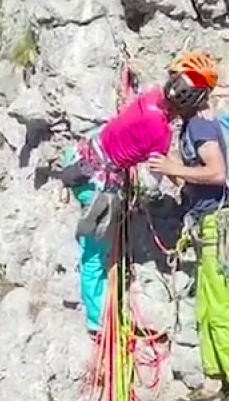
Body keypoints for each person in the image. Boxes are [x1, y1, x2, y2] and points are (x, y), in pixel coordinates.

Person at [57, 53, 220, 337]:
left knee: (96, 249)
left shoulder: (151, 97)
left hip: (82, 156)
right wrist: (178, 180)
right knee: (96, 255)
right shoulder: (161, 132)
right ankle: (98, 323)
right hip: (98, 185)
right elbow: (152, 182)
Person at [147, 58, 229, 401]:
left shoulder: (200, 127)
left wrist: (171, 168)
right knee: (206, 307)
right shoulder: (193, 126)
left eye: (179, 79)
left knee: (223, 306)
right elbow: (200, 180)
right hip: (206, 224)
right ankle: (214, 380)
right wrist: (176, 177)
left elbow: (215, 172)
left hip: (218, 225)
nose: (173, 86)